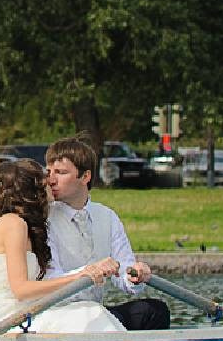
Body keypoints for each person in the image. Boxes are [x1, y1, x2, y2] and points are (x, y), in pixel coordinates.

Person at [0, 160, 124, 334]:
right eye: (46, 183)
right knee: (88, 312)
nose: (51, 185)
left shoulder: (21, 224)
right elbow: (21, 290)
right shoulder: (13, 224)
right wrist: (80, 276)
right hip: (1, 324)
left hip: (24, 316)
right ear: (33, 190)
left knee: (90, 310)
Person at [43, 138, 170, 330]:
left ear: (85, 177)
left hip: (95, 312)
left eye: (61, 172)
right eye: (49, 172)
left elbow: (124, 271)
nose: (51, 179)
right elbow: (51, 280)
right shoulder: (45, 219)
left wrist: (134, 275)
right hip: (59, 314)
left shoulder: (107, 216)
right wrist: (92, 270)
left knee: (155, 310)